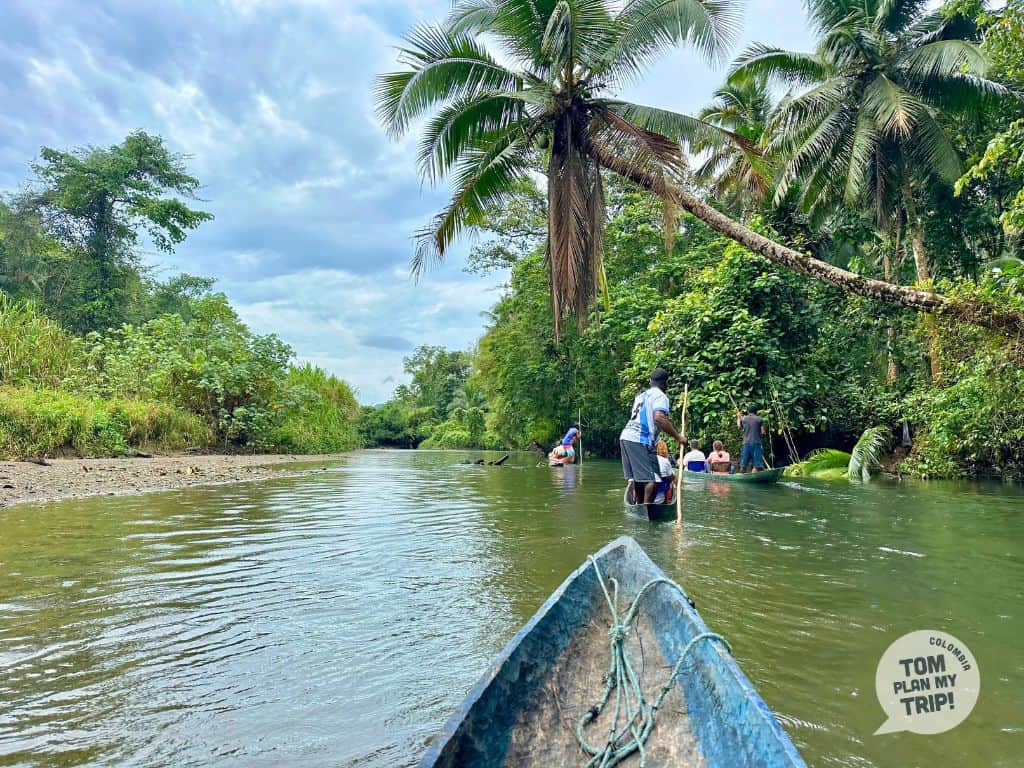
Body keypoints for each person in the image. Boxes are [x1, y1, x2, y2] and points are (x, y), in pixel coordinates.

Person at [620, 368, 684, 504]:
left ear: (651, 381)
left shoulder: (641, 396)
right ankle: (646, 508)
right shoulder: (660, 396)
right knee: (652, 480)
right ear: (665, 384)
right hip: (640, 439)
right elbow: (659, 418)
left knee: (638, 478)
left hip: (626, 436)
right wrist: (678, 437)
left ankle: (638, 506)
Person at [737, 406, 766, 472]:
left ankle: (742, 478)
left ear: (748, 412)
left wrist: (738, 417)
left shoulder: (744, 419)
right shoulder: (759, 419)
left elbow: (739, 426)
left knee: (743, 466)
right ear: (756, 412)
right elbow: (763, 432)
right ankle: (754, 475)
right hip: (756, 443)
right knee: (758, 466)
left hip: (746, 443)